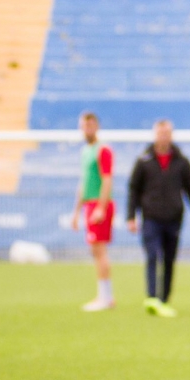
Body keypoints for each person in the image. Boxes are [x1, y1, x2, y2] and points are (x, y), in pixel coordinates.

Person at [126, 120, 190, 317]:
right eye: (160, 133)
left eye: (167, 133)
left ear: (171, 135)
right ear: (155, 135)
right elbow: (134, 189)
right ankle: (151, 297)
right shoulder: (144, 160)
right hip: (151, 217)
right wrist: (131, 216)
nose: (163, 136)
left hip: (174, 217)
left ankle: (164, 299)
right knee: (152, 255)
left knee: (169, 259)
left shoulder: (181, 162)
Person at [70, 112, 115, 311]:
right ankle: (104, 295)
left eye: (90, 125)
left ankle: (105, 297)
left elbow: (107, 179)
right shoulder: (85, 151)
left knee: (100, 250)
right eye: (84, 125)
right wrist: (76, 212)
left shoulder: (102, 150)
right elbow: (83, 183)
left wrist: (101, 207)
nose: (87, 129)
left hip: (99, 203)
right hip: (89, 204)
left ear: (97, 126)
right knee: (95, 250)